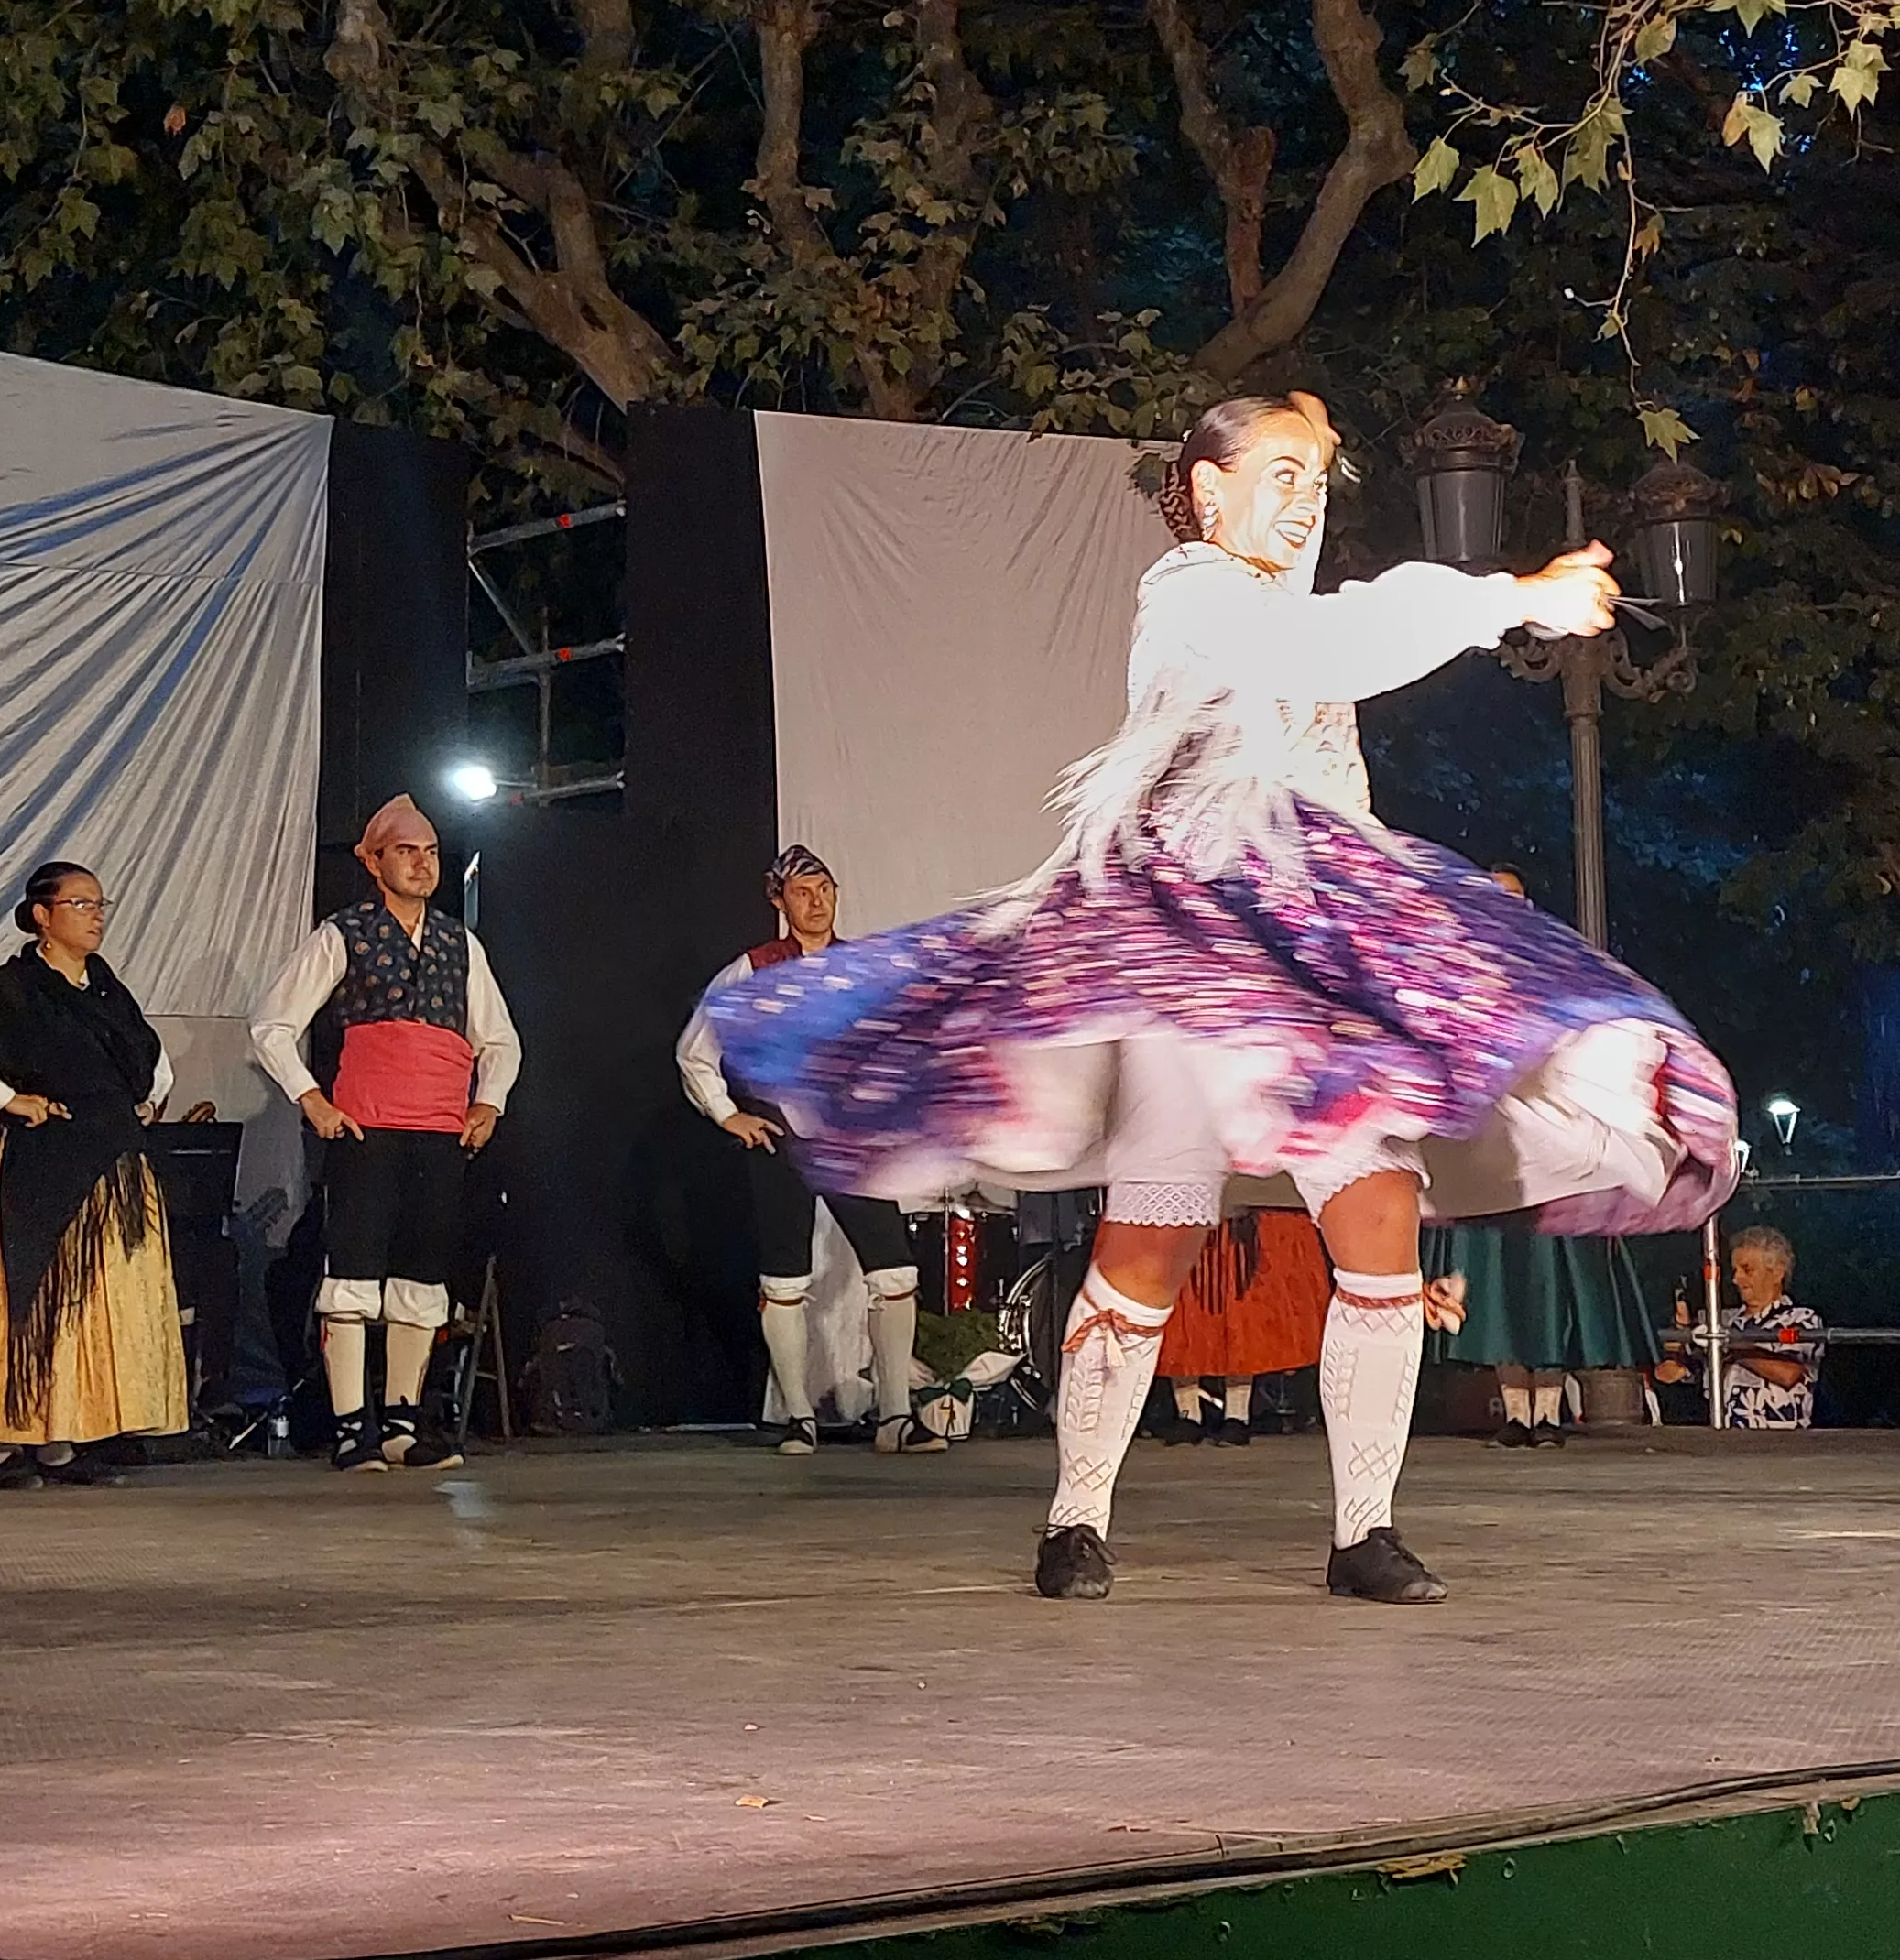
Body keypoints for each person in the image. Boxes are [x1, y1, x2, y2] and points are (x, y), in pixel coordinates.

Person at [707, 393, 1740, 1605]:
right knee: (1151, 1242)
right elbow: (1325, 645)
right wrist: (1510, 596)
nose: (1309, 498)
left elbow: (1327, 720)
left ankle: (1365, 1530)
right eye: (1284, 471)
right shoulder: (1191, 597)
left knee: (1377, 1224)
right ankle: (1076, 1516)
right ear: (1206, 491)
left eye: (1322, 476)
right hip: (1198, 969)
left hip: (1312, 964)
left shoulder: (1288, 619)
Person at [248, 796, 520, 1472]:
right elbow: (273, 1025)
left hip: (440, 1132)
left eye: (430, 852)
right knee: (354, 1273)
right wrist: (311, 1099)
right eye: (406, 851)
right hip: (367, 1128)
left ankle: (401, 1421)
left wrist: (487, 1104)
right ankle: (350, 1428)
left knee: (421, 1275)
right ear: (374, 862)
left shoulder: (461, 942)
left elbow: (499, 1038)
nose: (422, 864)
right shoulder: (344, 934)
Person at [0, 861, 185, 1488]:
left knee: (87, 1306)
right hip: (37, 1164)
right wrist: (7, 1098)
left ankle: (62, 1439)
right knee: (18, 1297)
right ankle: (6, 1444)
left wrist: (145, 1102)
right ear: (41, 917)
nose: (96, 914)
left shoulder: (106, 988)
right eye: (80, 904)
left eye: (99, 903)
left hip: (107, 1165)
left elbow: (150, 1057)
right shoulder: (12, 988)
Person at [675, 845, 947, 1454]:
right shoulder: (755, 969)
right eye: (802, 891)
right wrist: (730, 1115)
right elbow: (696, 1050)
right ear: (779, 902)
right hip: (781, 1137)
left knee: (896, 1271)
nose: (816, 900)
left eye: (823, 887)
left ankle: (895, 1417)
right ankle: (797, 1415)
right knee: (785, 1277)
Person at [1428, 862, 1665, 1448]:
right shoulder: (1457, 971)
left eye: (1514, 899)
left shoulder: (1554, 968)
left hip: (1555, 1141)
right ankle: (1515, 1412)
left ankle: (1549, 1411)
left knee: (1551, 1282)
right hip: (1491, 1147)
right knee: (1493, 1282)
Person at [1153, 1205, 1328, 1445]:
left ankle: (1237, 1415)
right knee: (1186, 1310)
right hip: (1188, 1207)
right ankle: (1188, 1413)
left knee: (1242, 1312)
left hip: (1244, 1211)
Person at [1702, 1225, 1825, 1431]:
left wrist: (1732, 1345)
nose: (1736, 1279)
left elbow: (1788, 1374)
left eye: (1747, 1270)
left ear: (1777, 1272)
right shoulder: (1725, 1321)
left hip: (1778, 1447)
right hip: (1727, 1447)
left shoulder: (1802, 1319)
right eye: (1735, 1270)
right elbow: (1677, 1373)